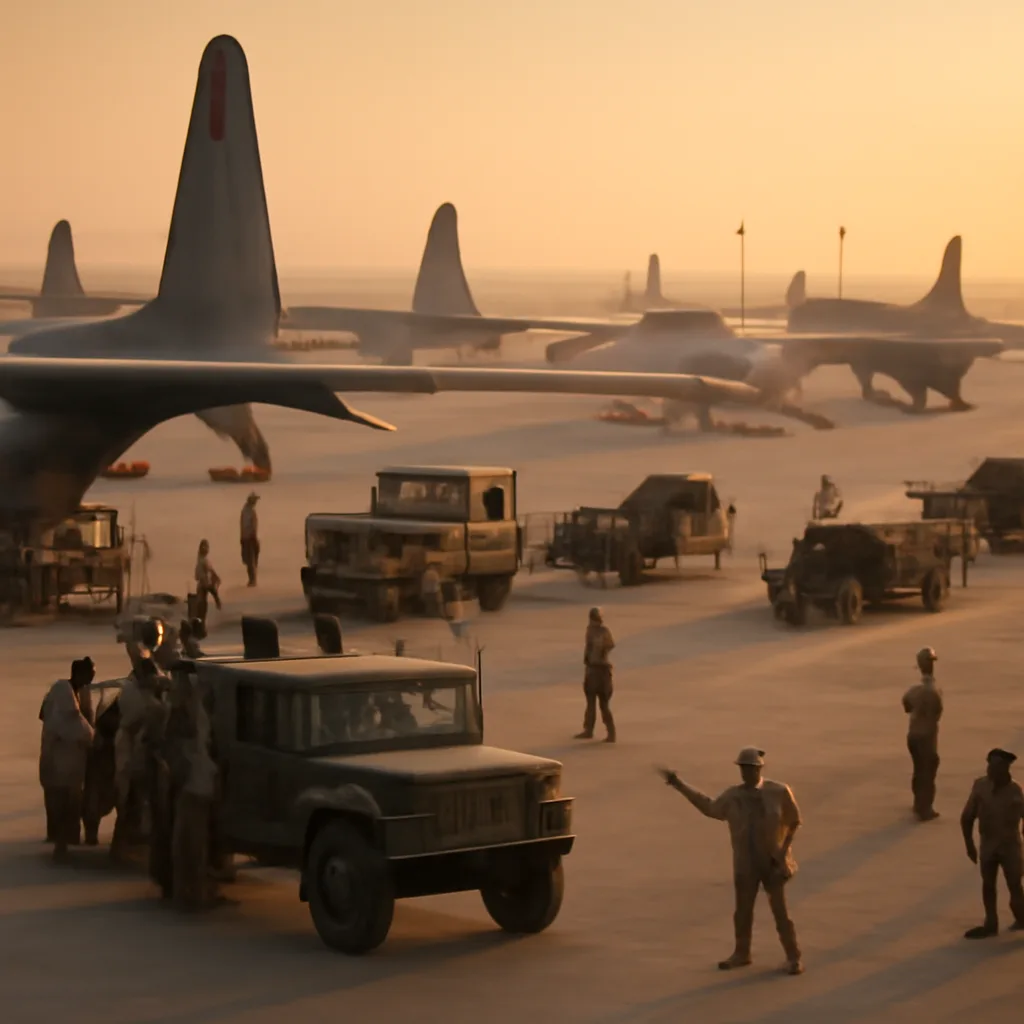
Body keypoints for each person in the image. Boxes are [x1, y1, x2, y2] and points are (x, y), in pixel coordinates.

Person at [659, 748, 803, 975]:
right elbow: (709, 807)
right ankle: (741, 953)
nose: (746, 773)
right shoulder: (733, 796)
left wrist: (783, 852)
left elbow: (794, 821)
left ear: (760, 769)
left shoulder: (778, 791)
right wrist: (679, 785)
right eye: (743, 768)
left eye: (751, 768)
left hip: (772, 862)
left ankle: (793, 957)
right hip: (745, 862)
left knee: (780, 912)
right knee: (742, 911)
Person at [960, 748, 1024, 939]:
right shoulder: (980, 786)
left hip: (1010, 846)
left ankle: (1022, 918)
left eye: (997, 766)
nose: (991, 769)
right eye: (990, 764)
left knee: (1014, 884)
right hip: (988, 844)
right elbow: (967, 817)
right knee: (988, 884)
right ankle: (991, 923)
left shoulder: (1015, 791)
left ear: (1006, 768)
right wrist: (969, 845)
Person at [39, 659, 96, 860]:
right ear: (79, 674)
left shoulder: (74, 692)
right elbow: (73, 725)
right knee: (63, 801)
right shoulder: (64, 694)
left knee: (65, 799)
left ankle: (64, 842)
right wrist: (92, 738)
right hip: (60, 758)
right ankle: (61, 847)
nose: (92, 679)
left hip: (64, 757)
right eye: (89, 674)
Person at [902, 647, 942, 821]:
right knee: (928, 770)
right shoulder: (934, 690)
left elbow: (906, 706)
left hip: (913, 734)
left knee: (919, 769)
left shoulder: (914, 691)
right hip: (927, 736)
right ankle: (924, 808)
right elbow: (937, 713)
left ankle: (918, 803)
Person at [575, 607, 616, 743]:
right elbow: (588, 648)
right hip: (593, 669)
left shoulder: (603, 631)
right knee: (591, 703)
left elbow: (609, 645)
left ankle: (610, 733)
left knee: (603, 704)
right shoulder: (591, 631)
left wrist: (601, 650)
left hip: (601, 670)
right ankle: (589, 730)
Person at [195, 539, 222, 613]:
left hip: (205, 583)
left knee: (204, 602)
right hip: (203, 584)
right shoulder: (202, 560)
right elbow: (200, 574)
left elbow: (210, 570)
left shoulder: (203, 559)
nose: (205, 549)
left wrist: (215, 577)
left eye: (206, 547)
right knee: (202, 604)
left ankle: (218, 606)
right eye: (204, 547)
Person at [240, 492, 260, 587]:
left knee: (249, 560)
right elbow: (252, 526)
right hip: (250, 537)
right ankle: (252, 580)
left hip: (246, 537)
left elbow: (242, 525)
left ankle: (252, 579)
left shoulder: (245, 510)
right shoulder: (250, 511)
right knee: (251, 560)